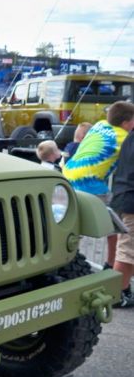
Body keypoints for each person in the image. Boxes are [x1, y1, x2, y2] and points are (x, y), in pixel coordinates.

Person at [63, 101, 134, 268]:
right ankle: (110, 264)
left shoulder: (100, 125)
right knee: (115, 223)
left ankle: (68, 259)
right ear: (125, 123)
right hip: (89, 181)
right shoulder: (123, 138)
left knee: (74, 221)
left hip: (69, 174)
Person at [110, 130, 134, 308]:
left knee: (129, 250)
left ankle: (122, 290)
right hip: (130, 200)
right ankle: (115, 295)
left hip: (124, 196)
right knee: (127, 251)